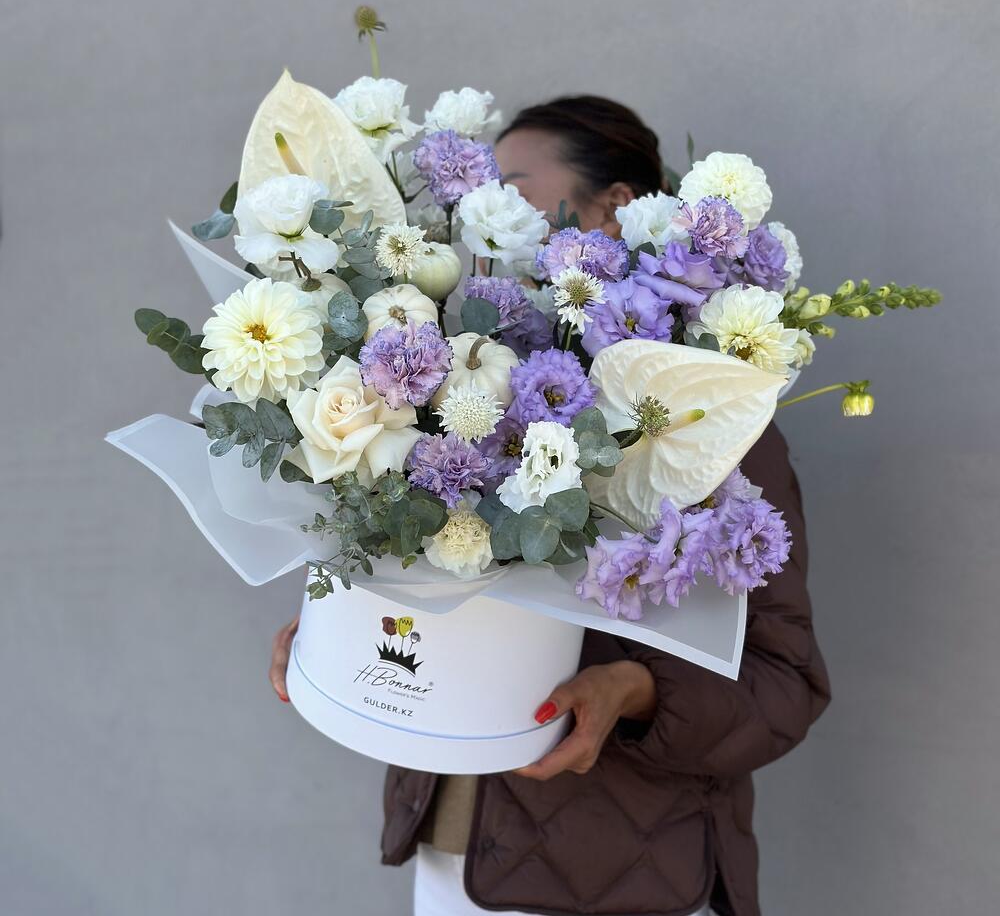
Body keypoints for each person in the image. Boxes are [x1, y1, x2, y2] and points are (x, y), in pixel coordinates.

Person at [268, 96, 831, 916]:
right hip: (451, 862)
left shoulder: (707, 424)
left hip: (623, 876)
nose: (483, 216)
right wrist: (346, 620)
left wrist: (633, 691)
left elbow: (786, 687)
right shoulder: (470, 385)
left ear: (617, 208)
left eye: (513, 190)